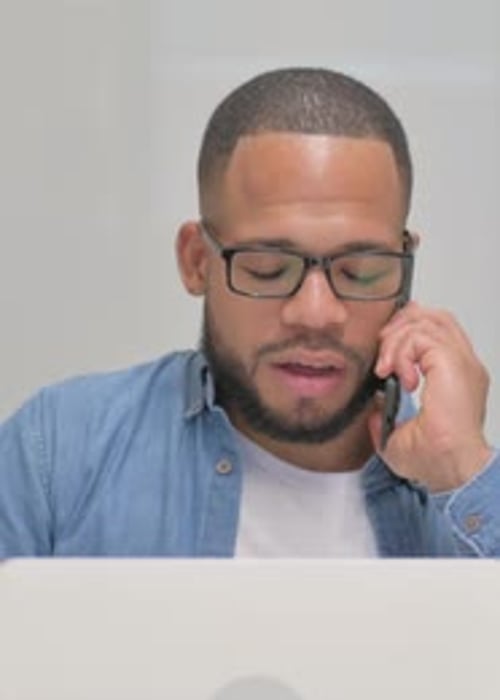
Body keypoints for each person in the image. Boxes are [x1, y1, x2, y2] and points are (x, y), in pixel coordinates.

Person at [0, 67, 498, 558]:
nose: (316, 314)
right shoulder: (55, 456)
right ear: (197, 261)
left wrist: (463, 469)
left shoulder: (458, 482)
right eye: (268, 269)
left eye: (360, 271)